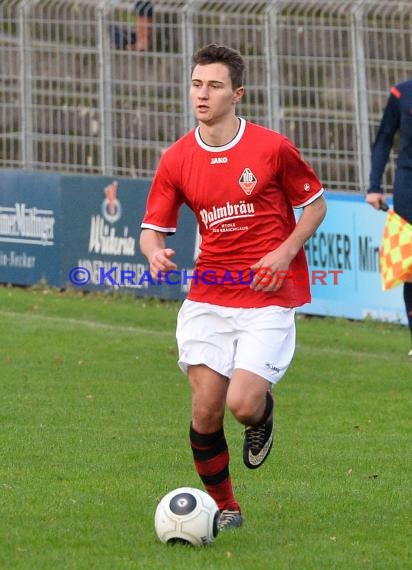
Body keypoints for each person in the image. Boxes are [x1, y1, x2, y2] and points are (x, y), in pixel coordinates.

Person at [139, 44, 327, 530]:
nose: (202, 94)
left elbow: (315, 206)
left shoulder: (271, 148)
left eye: (215, 85)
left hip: (267, 296)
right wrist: (154, 250)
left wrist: (285, 252)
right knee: (205, 410)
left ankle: (262, 414)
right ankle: (226, 507)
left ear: (236, 94)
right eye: (197, 83)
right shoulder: (178, 157)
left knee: (241, 405)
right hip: (208, 296)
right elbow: (150, 228)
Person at [366, 79, 412, 358]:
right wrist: (374, 186)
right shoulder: (401, 93)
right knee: (411, 267)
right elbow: (384, 137)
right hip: (408, 188)